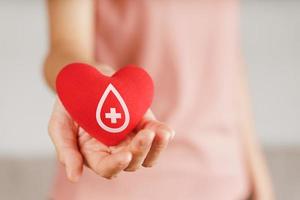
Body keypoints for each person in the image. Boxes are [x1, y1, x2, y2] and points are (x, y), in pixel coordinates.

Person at [44, 0, 274, 199]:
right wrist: (83, 85)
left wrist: (257, 169)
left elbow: (225, 60)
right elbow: (65, 46)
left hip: (223, 179)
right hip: (113, 182)